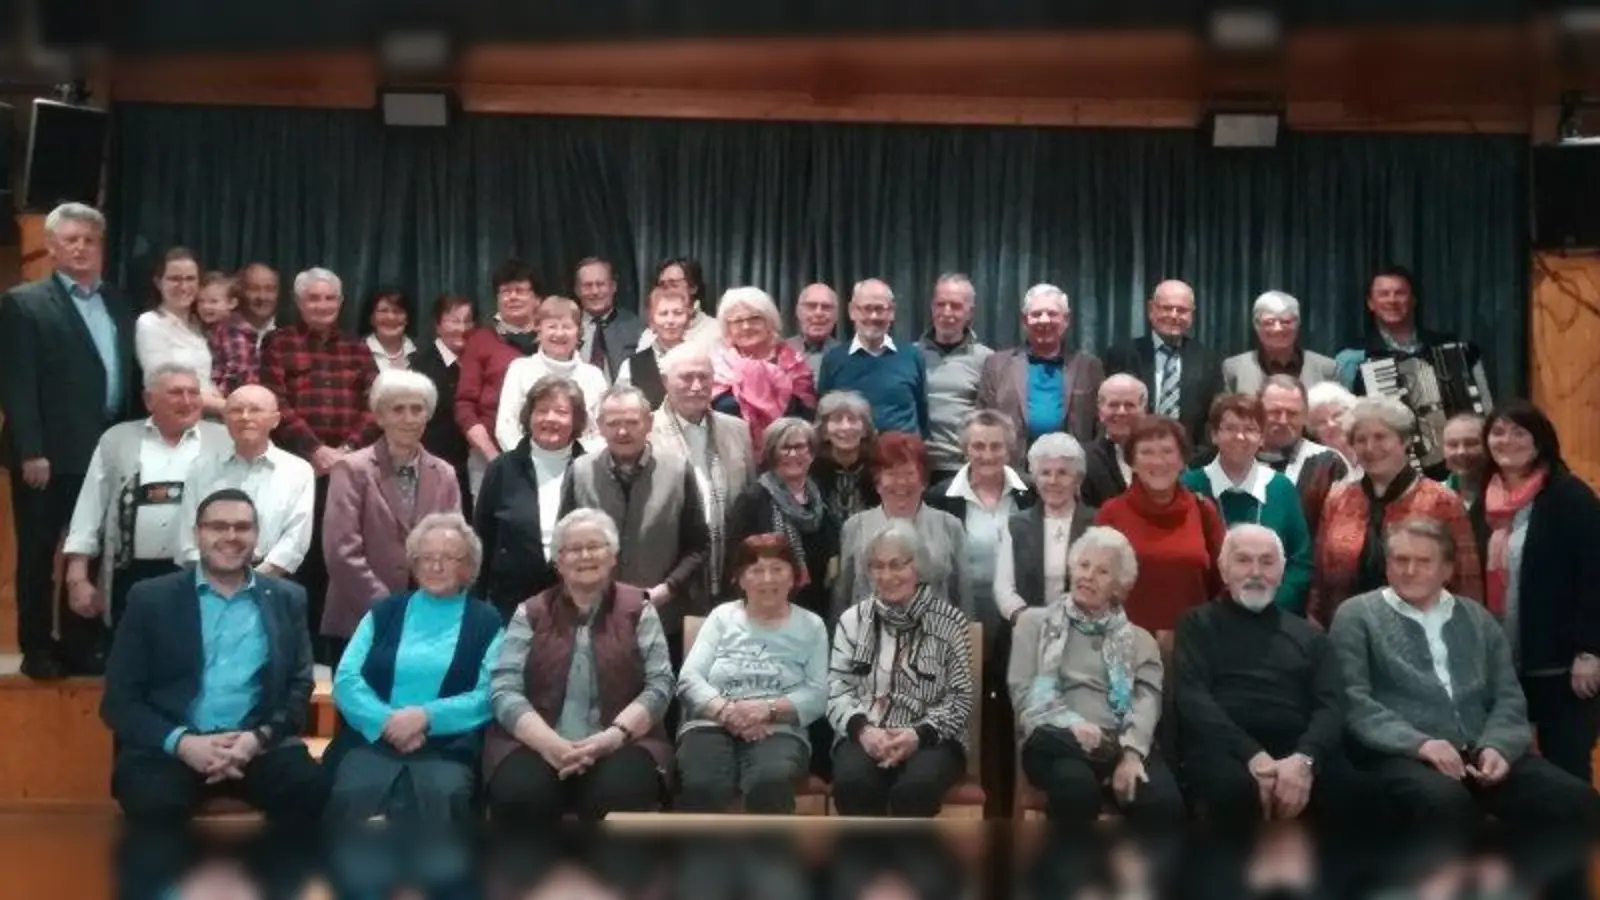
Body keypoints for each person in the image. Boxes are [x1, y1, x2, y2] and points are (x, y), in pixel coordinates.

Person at [1329, 518, 1597, 829]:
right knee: (1447, 806)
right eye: (1400, 560)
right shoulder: (1356, 615)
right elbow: (1353, 701)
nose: (1410, 570)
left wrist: (1498, 746)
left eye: (1423, 561)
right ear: (1387, 564)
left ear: (1447, 569)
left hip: (1482, 753)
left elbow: (1508, 697)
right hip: (1402, 755)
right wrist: (1420, 744)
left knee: (1577, 801)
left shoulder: (1477, 617)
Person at [100, 489, 328, 823]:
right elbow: (119, 701)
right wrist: (183, 744)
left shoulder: (286, 598)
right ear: (197, 534)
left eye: (242, 527)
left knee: (310, 791)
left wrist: (256, 739)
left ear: (256, 535)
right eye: (218, 526)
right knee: (155, 806)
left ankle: (265, 875)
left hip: (256, 745)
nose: (231, 537)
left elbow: (299, 685)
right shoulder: (151, 599)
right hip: (171, 748)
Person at [0, 202, 138, 679]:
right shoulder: (24, 302)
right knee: (40, 551)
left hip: (103, 450)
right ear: (53, 247)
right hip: (47, 454)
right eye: (72, 239)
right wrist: (30, 448)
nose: (81, 247)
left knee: (91, 551)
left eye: (90, 240)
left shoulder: (118, 301)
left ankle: (80, 646)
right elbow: (17, 383)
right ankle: (37, 646)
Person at [482, 509, 674, 823]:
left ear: (613, 556)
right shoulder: (530, 611)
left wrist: (612, 737)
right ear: (558, 562)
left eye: (595, 546)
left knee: (617, 796)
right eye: (573, 549)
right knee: (521, 795)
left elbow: (660, 684)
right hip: (537, 740)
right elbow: (504, 689)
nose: (585, 555)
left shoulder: (639, 608)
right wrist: (550, 744)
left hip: (623, 741)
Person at [325, 513, 503, 824]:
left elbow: (489, 694)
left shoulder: (487, 621)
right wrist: (386, 721)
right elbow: (346, 679)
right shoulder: (385, 612)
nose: (436, 566)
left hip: (447, 745)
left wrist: (425, 716)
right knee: (351, 791)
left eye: (449, 558)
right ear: (414, 563)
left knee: (445, 796)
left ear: (469, 566)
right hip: (374, 737)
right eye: (426, 558)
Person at [1175, 524, 1351, 825]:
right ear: (1224, 569)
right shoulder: (1197, 624)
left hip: (1298, 750)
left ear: (1281, 574)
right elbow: (1193, 698)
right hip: (1225, 748)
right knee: (1233, 790)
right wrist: (1253, 756)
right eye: (1243, 560)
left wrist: (1303, 760)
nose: (1255, 572)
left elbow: (1332, 706)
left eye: (1267, 562)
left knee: (1354, 792)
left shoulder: (1310, 637)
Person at [1009, 526, 1182, 827]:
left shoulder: (1141, 641)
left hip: (1122, 740)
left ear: (1119, 586)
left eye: (1102, 571)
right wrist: (1072, 724)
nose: (1088, 576)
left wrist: (1130, 754)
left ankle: (1137, 873)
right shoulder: (1033, 623)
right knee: (1076, 786)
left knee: (1163, 802)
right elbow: (1023, 694)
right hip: (1054, 738)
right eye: (1084, 565)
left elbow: (1147, 702)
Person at [1468, 400, 1600, 783]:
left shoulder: (1568, 496)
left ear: (1540, 441)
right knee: (1515, 768)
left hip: (1562, 663)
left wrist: (1591, 650)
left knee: (1567, 762)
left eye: (1518, 432)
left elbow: (1595, 575)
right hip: (1500, 659)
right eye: (1497, 431)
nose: (1506, 440)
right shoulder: (1483, 500)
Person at [257, 266, 380, 654]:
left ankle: (336, 652)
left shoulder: (357, 348)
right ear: (298, 303)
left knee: (340, 558)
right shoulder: (279, 343)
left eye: (330, 298)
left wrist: (345, 451)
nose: (322, 305)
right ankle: (297, 651)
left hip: (349, 470)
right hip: (296, 468)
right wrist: (315, 449)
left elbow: (377, 404)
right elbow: (274, 400)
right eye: (314, 298)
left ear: (341, 303)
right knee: (298, 558)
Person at [63, 365, 232, 643]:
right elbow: (90, 506)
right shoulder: (117, 439)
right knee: (131, 662)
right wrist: (77, 574)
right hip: (131, 574)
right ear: (149, 400)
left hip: (201, 574)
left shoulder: (224, 439)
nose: (187, 400)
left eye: (193, 392)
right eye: (176, 393)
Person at [828, 521, 974, 817]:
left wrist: (916, 734)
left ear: (918, 567)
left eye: (897, 565)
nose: (887, 576)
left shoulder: (950, 623)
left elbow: (959, 699)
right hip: (865, 731)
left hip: (933, 737)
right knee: (853, 784)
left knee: (914, 790)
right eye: (877, 567)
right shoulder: (853, 620)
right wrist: (865, 732)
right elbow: (837, 689)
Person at [675, 534, 830, 813]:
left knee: (768, 783)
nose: (767, 579)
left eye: (777, 569)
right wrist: (728, 712)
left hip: (779, 730)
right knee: (704, 785)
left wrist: (766, 709)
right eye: (756, 570)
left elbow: (818, 694)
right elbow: (689, 679)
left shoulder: (812, 625)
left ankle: (766, 857)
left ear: (794, 577)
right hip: (710, 724)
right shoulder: (722, 617)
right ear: (740, 579)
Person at [559, 385, 711, 663]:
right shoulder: (580, 471)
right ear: (600, 426)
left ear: (649, 423)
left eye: (631, 422)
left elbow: (699, 546)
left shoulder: (678, 470)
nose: (622, 431)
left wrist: (667, 590)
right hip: (594, 618)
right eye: (613, 423)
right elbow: (563, 545)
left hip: (663, 618)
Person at [322, 370, 463, 665]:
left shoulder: (445, 474)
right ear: (380, 416)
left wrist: (430, 605)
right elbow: (341, 550)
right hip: (360, 619)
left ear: (428, 415)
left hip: (427, 621)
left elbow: (455, 548)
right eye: (398, 409)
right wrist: (388, 608)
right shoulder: (351, 470)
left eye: (417, 409)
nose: (409, 418)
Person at [1311, 397, 1483, 625]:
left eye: (1380, 437)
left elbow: (1466, 579)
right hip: (1347, 632)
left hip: (1424, 633)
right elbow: (1319, 578)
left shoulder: (1441, 501)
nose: (1370, 448)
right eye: (1361, 439)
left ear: (1405, 441)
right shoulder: (1338, 498)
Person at [1180, 394, 1312, 613]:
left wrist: (1268, 603)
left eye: (1250, 429)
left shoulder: (1281, 488)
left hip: (1271, 614)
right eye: (1230, 428)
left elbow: (1300, 561)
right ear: (1214, 435)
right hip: (1207, 617)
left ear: (1261, 438)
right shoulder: (1190, 486)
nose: (1240, 436)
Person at [1093, 415, 1225, 633]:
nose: (1158, 461)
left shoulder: (1203, 510)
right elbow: (1097, 587)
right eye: (1146, 452)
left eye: (1167, 451)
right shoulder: (1111, 514)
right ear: (1132, 462)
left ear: (1182, 460)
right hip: (1127, 645)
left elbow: (1222, 582)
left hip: (1192, 645)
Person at [474, 376, 588, 618]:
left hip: (577, 603)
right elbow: (482, 538)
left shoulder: (591, 468)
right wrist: (476, 604)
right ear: (529, 416)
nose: (550, 419)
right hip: (510, 604)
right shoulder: (502, 469)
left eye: (561, 411)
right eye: (542, 410)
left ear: (576, 420)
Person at [176, 385, 315, 578]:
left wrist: (253, 581)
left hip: (270, 580)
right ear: (224, 419)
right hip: (206, 580)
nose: (245, 417)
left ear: (275, 420)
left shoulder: (298, 471)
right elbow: (188, 537)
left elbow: (295, 540)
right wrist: (214, 579)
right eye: (236, 410)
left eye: (255, 410)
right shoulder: (200, 469)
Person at [651, 343, 756, 598]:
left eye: (704, 377)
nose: (697, 386)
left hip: (729, 573)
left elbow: (750, 501)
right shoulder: (646, 433)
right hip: (669, 578)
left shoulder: (738, 431)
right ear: (665, 381)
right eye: (686, 377)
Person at [833, 434, 968, 621]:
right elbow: (842, 596)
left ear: (923, 481)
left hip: (937, 638)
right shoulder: (855, 526)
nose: (901, 482)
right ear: (878, 482)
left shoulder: (949, 525)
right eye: (891, 474)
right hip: (868, 637)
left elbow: (963, 596)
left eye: (909, 473)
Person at [723, 418, 838, 619]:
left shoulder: (820, 495)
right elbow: (736, 562)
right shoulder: (753, 500)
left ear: (811, 453)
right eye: (785, 447)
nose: (793, 454)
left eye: (800, 446)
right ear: (771, 453)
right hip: (769, 608)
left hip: (819, 608)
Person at [976, 283, 1103, 456]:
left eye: (1052, 314)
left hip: (1072, 472)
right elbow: (983, 421)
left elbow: (1101, 424)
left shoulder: (1089, 367)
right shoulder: (996, 365)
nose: (1044, 320)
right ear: (1024, 320)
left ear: (1066, 319)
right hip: (1014, 470)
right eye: (1036, 314)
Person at [1102, 279, 1225, 451]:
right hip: (1131, 454)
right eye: (1166, 308)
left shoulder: (1208, 360)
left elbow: (1213, 417)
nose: (1174, 316)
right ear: (1151, 309)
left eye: (1182, 310)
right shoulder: (1122, 355)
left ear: (1192, 315)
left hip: (1188, 460)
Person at [454, 260, 542, 497]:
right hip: (490, 459)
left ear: (538, 299)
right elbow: (465, 406)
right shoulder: (480, 340)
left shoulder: (553, 339)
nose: (512, 297)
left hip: (549, 457)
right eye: (505, 291)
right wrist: (494, 457)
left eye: (521, 291)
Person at [995, 433, 1098, 621]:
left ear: (1078, 479)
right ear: (1034, 478)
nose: (1053, 481)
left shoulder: (1097, 524)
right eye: (1045, 473)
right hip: (1028, 631)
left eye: (1062, 473)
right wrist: (1031, 622)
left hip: (1085, 631)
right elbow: (1004, 589)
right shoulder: (1016, 525)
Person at [817, 279, 929, 438]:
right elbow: (824, 417)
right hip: (851, 457)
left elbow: (922, 414)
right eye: (867, 309)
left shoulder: (912, 356)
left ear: (892, 312)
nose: (874, 316)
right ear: (852, 311)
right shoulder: (834, 359)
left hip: (902, 458)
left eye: (880, 309)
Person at [710, 286, 817, 450]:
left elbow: (805, 419)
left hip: (790, 456)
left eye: (754, 318)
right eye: (738, 321)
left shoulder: (795, 364)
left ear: (770, 322)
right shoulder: (716, 368)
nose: (746, 326)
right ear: (728, 328)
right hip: (732, 457)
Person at [495, 295, 608, 450]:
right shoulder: (520, 369)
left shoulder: (594, 376)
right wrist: (527, 461)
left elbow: (602, 431)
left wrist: (579, 462)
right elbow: (506, 427)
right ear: (539, 330)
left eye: (567, 327)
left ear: (578, 332)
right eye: (552, 327)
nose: (559, 333)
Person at [917, 273, 994, 483]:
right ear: (932, 308)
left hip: (965, 469)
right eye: (940, 304)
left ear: (970, 312)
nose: (947, 313)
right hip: (917, 466)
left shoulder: (987, 359)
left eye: (956, 306)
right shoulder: (911, 355)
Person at [408, 293, 477, 515]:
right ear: (438, 325)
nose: (462, 328)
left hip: (473, 470)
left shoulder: (478, 362)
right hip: (434, 470)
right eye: (454, 321)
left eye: (468, 321)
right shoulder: (420, 367)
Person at [1257, 375, 1349, 538]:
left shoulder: (1327, 464)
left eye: (1292, 413)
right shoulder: (1236, 458)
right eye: (1275, 412)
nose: (1283, 421)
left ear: (1305, 415)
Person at [135, 246, 225, 415]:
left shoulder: (199, 324)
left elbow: (205, 380)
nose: (183, 286)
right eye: (175, 279)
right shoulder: (150, 323)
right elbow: (163, 386)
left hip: (209, 419)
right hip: (175, 421)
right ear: (158, 282)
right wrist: (227, 407)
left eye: (190, 279)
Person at [1220, 291, 1338, 395]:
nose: (1278, 328)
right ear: (1256, 325)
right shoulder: (1234, 369)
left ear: (1297, 324)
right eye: (1269, 322)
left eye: (1285, 321)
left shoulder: (1326, 369)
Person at [614, 285, 692, 407]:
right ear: (651, 321)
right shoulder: (631, 366)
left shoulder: (701, 359)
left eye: (678, 313)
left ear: (687, 319)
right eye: (663, 314)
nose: (670, 320)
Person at [811, 390, 879, 524]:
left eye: (852, 419)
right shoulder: (811, 472)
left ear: (865, 429)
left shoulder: (877, 469)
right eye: (837, 419)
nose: (845, 427)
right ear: (824, 431)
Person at [573, 257, 645, 381]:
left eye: (600, 284)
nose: (595, 291)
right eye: (587, 285)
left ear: (613, 287)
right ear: (577, 290)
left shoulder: (635, 327)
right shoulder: (567, 326)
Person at [1079, 375, 1146, 508]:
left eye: (1129, 405)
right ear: (1100, 410)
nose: (1121, 412)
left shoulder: (1162, 456)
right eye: (1114, 405)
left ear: (1144, 410)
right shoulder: (1081, 459)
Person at [784, 283, 840, 379]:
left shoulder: (848, 357)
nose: (818, 313)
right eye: (811, 306)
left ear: (836, 315)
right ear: (798, 312)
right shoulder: (780, 351)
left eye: (826, 307)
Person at [1305, 381, 1360, 473]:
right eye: (1321, 422)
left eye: (1337, 415)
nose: (1331, 424)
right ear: (1314, 432)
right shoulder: (1316, 472)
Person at [360, 287, 417, 371]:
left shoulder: (421, 352)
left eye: (397, 311)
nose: (391, 317)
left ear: (407, 319)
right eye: (383, 311)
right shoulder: (356, 352)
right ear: (371, 318)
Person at [1441, 412, 1487, 508]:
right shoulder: (1434, 499)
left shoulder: (1513, 491)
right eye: (1453, 444)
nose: (1461, 452)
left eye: (1470, 443)